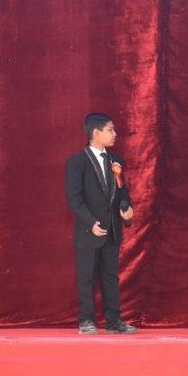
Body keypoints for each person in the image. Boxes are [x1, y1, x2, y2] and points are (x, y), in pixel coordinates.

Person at [65, 112, 136, 334]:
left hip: (112, 229)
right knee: (86, 276)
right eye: (110, 130)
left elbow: (122, 190)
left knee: (110, 277)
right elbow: (74, 198)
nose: (115, 134)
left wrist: (126, 207)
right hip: (89, 230)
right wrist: (91, 222)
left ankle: (113, 321)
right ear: (96, 133)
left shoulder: (116, 160)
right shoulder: (77, 162)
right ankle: (86, 320)